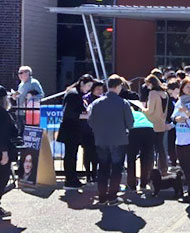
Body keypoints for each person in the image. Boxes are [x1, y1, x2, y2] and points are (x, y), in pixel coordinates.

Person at [87, 75, 134, 206]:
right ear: (118, 87)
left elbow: (90, 121)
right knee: (116, 168)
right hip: (119, 139)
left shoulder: (96, 104)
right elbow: (130, 124)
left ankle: (102, 196)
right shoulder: (124, 103)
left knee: (103, 168)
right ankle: (112, 196)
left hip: (101, 139)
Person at [57, 74, 95, 189]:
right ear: (82, 83)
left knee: (72, 154)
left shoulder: (75, 93)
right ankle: (70, 180)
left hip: (72, 129)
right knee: (70, 155)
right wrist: (83, 116)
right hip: (70, 129)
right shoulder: (74, 94)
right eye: (88, 86)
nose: (88, 89)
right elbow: (68, 113)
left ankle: (72, 178)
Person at [142, 74, 169, 176]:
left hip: (152, 124)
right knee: (160, 148)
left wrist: (142, 109)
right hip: (161, 123)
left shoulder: (152, 93)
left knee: (149, 149)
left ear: (151, 83)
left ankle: (150, 171)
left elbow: (150, 110)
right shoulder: (164, 93)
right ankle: (164, 169)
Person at [0, 85, 19, 218]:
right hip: (2, 150)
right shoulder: (2, 114)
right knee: (2, 178)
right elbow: (3, 134)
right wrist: (4, 152)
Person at [81, 80, 105, 183]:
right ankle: (88, 174)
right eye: (98, 89)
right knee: (87, 152)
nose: (100, 91)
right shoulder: (86, 98)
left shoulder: (103, 99)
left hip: (98, 130)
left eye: (101, 89)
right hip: (87, 129)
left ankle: (94, 173)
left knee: (96, 153)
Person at [165, 79, 180, 169]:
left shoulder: (177, 99)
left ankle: (175, 159)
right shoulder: (168, 99)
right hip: (170, 123)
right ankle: (173, 159)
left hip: (177, 124)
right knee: (170, 143)